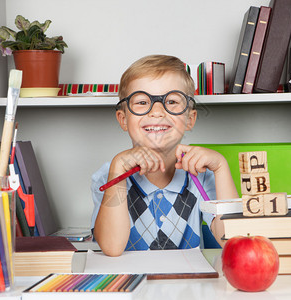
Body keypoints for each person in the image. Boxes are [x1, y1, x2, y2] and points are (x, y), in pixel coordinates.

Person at [91, 54, 238, 256]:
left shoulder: (201, 175)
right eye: (142, 102)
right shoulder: (109, 175)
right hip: (132, 284)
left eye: (171, 101)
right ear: (123, 119)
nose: (158, 111)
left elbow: (232, 240)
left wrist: (221, 167)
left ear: (190, 119)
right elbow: (112, 247)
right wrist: (118, 169)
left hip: (189, 285)